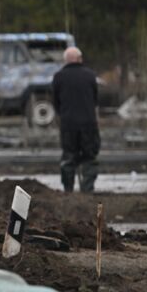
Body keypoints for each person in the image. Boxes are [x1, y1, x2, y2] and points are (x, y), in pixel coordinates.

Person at [51, 46, 100, 193]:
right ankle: (87, 189)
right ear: (79, 59)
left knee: (68, 157)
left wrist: (63, 116)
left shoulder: (58, 77)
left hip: (68, 125)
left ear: (66, 60)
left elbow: (55, 102)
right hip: (88, 124)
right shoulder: (90, 75)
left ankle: (68, 190)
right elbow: (95, 100)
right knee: (90, 157)